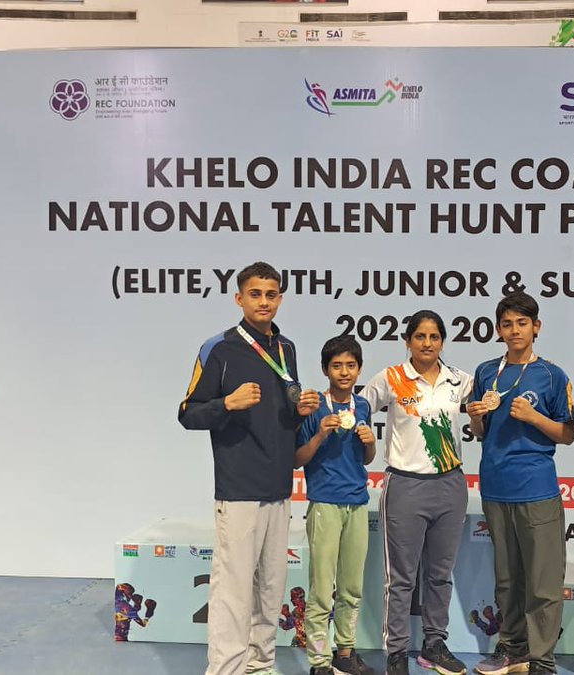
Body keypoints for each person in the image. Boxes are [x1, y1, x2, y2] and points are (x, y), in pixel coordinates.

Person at [178, 261, 320, 675]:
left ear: (280, 299)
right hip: (238, 486)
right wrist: (227, 403)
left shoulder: (286, 349)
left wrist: (300, 410)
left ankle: (260, 664)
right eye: (255, 294)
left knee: (270, 587)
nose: (264, 301)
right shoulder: (218, 349)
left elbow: (282, 418)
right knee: (233, 588)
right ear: (239, 298)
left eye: (271, 294)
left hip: (279, 485)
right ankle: (226, 669)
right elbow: (187, 413)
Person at [466, 292, 574, 675]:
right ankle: (512, 648)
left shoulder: (551, 375)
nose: (515, 330)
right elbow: (480, 431)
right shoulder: (485, 372)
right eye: (507, 324)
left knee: (543, 581)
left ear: (536, 327)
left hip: (536, 488)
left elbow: (566, 433)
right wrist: (476, 417)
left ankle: (542, 658)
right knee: (508, 578)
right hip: (496, 488)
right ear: (499, 330)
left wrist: (533, 417)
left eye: (522, 323)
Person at [361, 310, 472, 675]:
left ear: (443, 341)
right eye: (420, 336)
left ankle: (434, 644)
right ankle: (396, 651)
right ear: (407, 341)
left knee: (440, 574)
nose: (427, 343)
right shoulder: (392, 378)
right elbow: (357, 407)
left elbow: (488, 405)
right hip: (405, 486)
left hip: (451, 485)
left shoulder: (460, 380)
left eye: (434, 337)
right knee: (402, 578)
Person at [297, 335, 378, 675]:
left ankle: (344, 651)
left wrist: (371, 442)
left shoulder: (362, 406)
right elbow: (297, 458)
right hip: (325, 505)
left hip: (357, 504)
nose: (344, 372)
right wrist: (319, 436)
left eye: (351, 365)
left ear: (359, 369)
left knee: (351, 588)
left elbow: (367, 457)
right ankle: (319, 661)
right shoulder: (314, 406)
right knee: (320, 590)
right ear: (325, 370)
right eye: (337, 366)